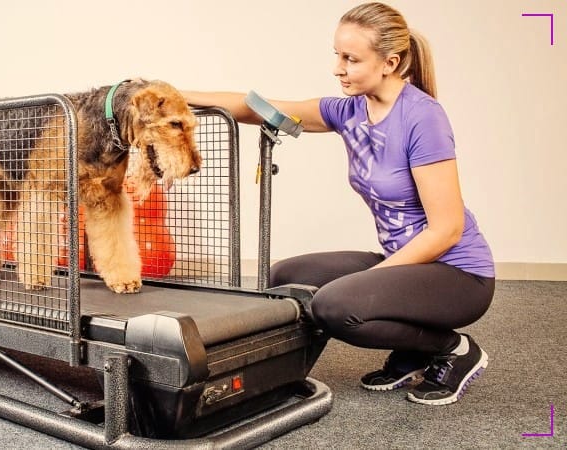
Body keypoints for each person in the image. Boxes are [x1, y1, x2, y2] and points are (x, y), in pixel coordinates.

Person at [181, 2, 494, 406]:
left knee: (334, 305)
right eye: (337, 55)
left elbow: (447, 229)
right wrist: (171, 94)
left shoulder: (422, 118)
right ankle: (411, 351)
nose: (337, 68)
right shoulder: (349, 111)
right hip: (408, 262)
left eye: (351, 58)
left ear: (390, 62)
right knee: (286, 276)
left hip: (458, 274)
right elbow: (256, 106)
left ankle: (451, 348)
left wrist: (374, 278)